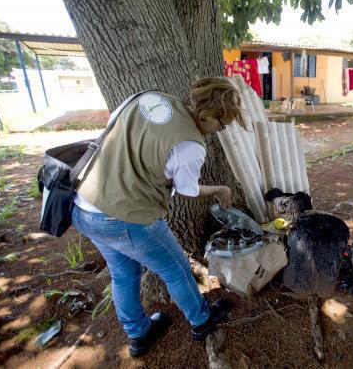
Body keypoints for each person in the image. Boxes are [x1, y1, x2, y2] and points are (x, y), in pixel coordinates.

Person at [71, 77, 246, 357]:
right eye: (221, 124)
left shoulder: (149, 98)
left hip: (85, 205)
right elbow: (187, 189)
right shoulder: (190, 145)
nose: (219, 130)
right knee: (175, 270)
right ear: (208, 114)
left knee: (123, 274)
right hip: (127, 217)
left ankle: (138, 334)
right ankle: (202, 321)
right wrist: (222, 190)